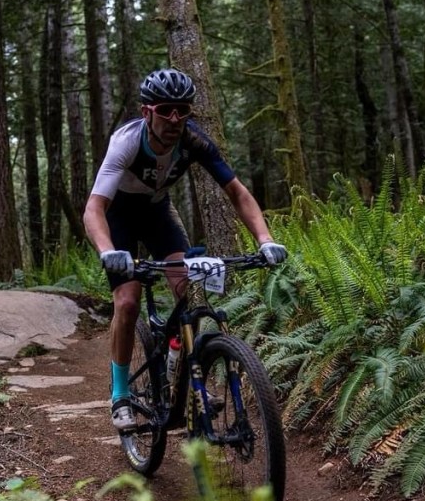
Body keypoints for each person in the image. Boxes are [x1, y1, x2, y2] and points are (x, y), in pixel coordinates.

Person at [83, 68, 287, 431]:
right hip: (119, 217)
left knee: (186, 288)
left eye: (183, 110)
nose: (175, 118)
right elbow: (94, 208)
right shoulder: (126, 142)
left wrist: (266, 240)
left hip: (158, 213)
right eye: (165, 110)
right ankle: (120, 395)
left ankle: (182, 372)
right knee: (127, 302)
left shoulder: (194, 140)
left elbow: (237, 192)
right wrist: (107, 251)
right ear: (147, 112)